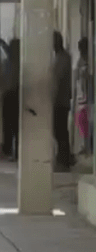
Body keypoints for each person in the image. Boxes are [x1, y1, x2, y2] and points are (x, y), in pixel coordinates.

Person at [53, 31, 73, 171]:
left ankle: (64, 159)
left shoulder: (63, 58)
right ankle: (63, 157)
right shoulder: (60, 57)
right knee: (59, 131)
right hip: (59, 100)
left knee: (60, 131)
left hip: (61, 101)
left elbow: (57, 80)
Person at [75, 37, 92, 155]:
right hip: (83, 93)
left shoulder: (90, 60)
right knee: (81, 120)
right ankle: (85, 144)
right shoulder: (81, 60)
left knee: (85, 120)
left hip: (89, 93)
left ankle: (88, 145)